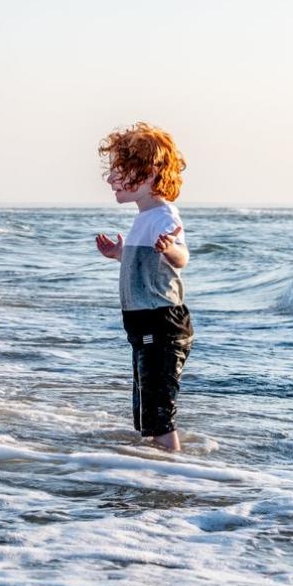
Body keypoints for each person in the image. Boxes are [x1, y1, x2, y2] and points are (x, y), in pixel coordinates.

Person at [93, 122, 193, 452]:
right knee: (146, 409)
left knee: (159, 412)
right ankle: (151, 467)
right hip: (145, 326)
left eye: (118, 170)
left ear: (149, 174)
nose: (110, 179)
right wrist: (119, 254)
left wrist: (169, 248)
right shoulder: (143, 218)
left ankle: (173, 474)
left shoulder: (164, 216)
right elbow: (145, 263)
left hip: (162, 324)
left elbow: (181, 258)